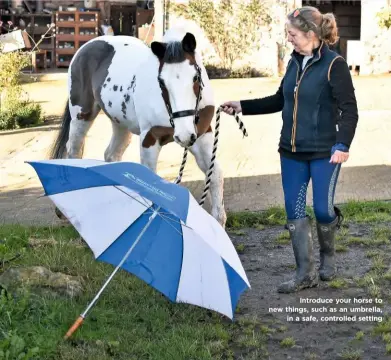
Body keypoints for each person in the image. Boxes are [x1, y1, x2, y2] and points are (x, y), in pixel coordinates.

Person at [222, 6, 358, 293]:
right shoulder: (294, 64)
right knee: (294, 211)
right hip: (291, 153)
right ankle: (304, 273)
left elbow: (349, 111)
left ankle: (328, 257)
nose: (289, 39)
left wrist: (342, 144)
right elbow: (278, 100)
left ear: (310, 34)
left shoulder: (335, 65)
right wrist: (242, 106)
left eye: (292, 34)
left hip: (325, 153)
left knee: (322, 210)